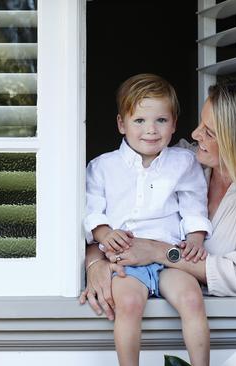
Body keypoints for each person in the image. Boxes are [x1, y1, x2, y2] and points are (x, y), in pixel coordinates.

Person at [80, 78, 236, 363]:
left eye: (209, 132)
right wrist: (95, 262)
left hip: (226, 328)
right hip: (130, 278)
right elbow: (97, 215)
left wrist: (158, 251)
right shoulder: (184, 160)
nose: (194, 134)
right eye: (200, 125)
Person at [84, 73, 213, 366]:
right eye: (139, 121)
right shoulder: (103, 166)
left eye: (161, 121)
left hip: (170, 258)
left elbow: (193, 202)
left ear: (174, 124)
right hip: (126, 260)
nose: (151, 130)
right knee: (128, 304)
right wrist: (104, 234)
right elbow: (91, 209)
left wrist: (195, 236)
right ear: (121, 124)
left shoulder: (184, 163)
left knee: (193, 300)